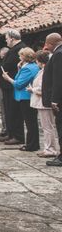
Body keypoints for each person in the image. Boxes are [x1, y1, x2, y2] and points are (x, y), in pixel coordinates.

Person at [2, 47, 39, 152]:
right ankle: (32, 143)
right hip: (27, 96)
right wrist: (19, 68)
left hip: (25, 97)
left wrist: (7, 78)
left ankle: (31, 145)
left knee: (30, 122)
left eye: (20, 55)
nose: (19, 57)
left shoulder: (28, 68)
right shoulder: (32, 66)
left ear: (24, 57)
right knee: (31, 122)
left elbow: (18, 84)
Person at [0, 30, 26, 146]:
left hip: (12, 84)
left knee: (15, 112)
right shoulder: (14, 49)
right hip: (8, 84)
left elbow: (7, 66)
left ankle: (17, 136)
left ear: (12, 38)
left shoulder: (18, 49)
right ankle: (10, 134)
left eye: (6, 38)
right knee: (9, 111)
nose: (6, 40)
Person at [29, 50, 59, 158]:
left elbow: (43, 89)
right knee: (46, 126)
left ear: (40, 61)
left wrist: (32, 90)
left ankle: (50, 149)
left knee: (48, 127)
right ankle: (49, 147)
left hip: (43, 102)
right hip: (41, 102)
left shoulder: (45, 71)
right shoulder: (42, 70)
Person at [43, 33, 62, 166]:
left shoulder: (59, 54)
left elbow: (58, 79)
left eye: (47, 43)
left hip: (59, 100)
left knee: (60, 127)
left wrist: (54, 100)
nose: (46, 46)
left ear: (51, 43)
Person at [0, 47, 9, 137]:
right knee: (2, 110)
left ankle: (6, 129)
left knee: (5, 110)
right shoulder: (3, 62)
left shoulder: (6, 63)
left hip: (5, 87)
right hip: (1, 87)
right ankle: (4, 128)